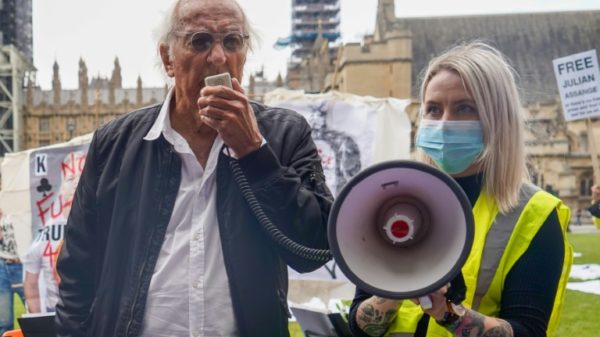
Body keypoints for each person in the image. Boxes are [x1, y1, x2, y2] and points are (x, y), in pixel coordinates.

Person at [55, 0, 332, 336]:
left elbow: (315, 249)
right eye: (200, 41)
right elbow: (77, 274)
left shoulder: (285, 134)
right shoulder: (114, 144)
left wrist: (253, 152)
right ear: (168, 59)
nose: (218, 57)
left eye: (232, 42)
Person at [348, 42, 572, 337]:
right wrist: (397, 284)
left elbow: (527, 330)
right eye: (433, 109)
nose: (444, 123)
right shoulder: (391, 201)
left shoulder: (535, 214)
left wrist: (445, 310)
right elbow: (360, 326)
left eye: (464, 108)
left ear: (497, 118)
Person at [0, 209, 25, 335]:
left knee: (34, 316)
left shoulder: (22, 202)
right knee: (4, 321)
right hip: (2, 266)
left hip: (24, 265)